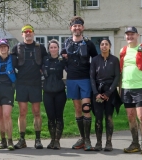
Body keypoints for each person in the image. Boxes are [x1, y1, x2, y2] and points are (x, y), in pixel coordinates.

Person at [61, 16, 98, 151]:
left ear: (83, 27)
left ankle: (88, 139)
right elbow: (62, 60)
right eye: (74, 26)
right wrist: (68, 68)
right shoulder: (66, 43)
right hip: (71, 80)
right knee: (77, 109)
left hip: (85, 79)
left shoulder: (89, 44)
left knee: (86, 108)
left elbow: (95, 61)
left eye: (79, 25)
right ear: (71, 28)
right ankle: (82, 138)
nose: (77, 28)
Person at [11, 24, 48, 149]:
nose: (28, 34)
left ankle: (38, 139)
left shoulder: (40, 48)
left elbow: (46, 62)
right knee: (22, 112)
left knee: (37, 112)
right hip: (21, 84)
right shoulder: (17, 47)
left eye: (30, 31)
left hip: (36, 84)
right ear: (22, 34)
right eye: (25, 32)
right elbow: (8, 60)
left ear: (33, 33)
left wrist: (44, 71)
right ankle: (22, 139)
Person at [120, 26, 142, 156]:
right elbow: (122, 71)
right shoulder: (123, 50)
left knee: (141, 117)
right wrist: (120, 89)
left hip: (140, 88)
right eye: (127, 34)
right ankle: (135, 144)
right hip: (126, 88)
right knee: (130, 116)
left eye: (132, 34)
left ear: (137, 35)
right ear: (125, 37)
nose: (130, 36)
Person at [90, 38, 120, 151]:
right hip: (97, 91)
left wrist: (109, 92)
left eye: (106, 44)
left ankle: (109, 142)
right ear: (100, 47)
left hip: (110, 92)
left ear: (110, 46)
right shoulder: (95, 60)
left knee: (109, 117)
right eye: (102, 44)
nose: (104, 46)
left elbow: (117, 76)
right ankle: (98, 142)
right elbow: (92, 77)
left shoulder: (115, 60)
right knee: (98, 118)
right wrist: (96, 93)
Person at [42, 39, 67, 150]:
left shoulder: (62, 60)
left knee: (59, 116)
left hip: (60, 92)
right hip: (47, 92)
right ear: (48, 49)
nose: (53, 49)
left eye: (55, 47)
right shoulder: (45, 60)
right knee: (50, 117)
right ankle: (52, 139)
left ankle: (57, 141)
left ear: (58, 48)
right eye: (51, 47)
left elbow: (71, 69)